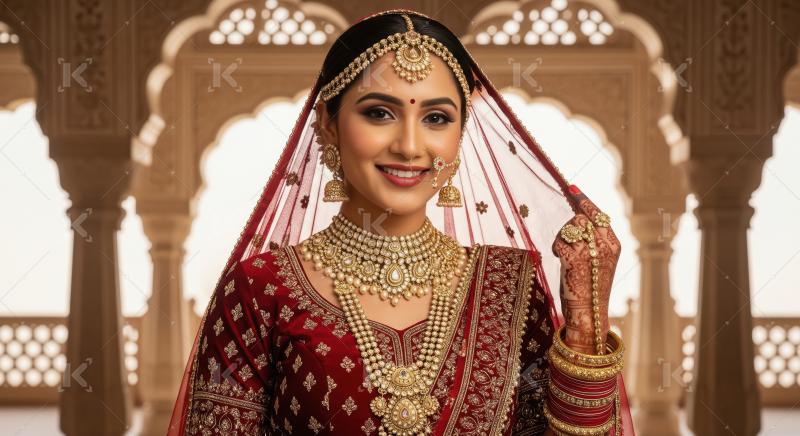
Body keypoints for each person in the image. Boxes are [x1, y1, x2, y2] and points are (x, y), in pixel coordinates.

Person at [168, 9, 634, 435]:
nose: (410, 147)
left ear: (460, 134)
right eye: (379, 113)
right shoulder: (261, 290)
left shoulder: (510, 287)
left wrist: (584, 323)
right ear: (327, 124)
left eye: (436, 117)